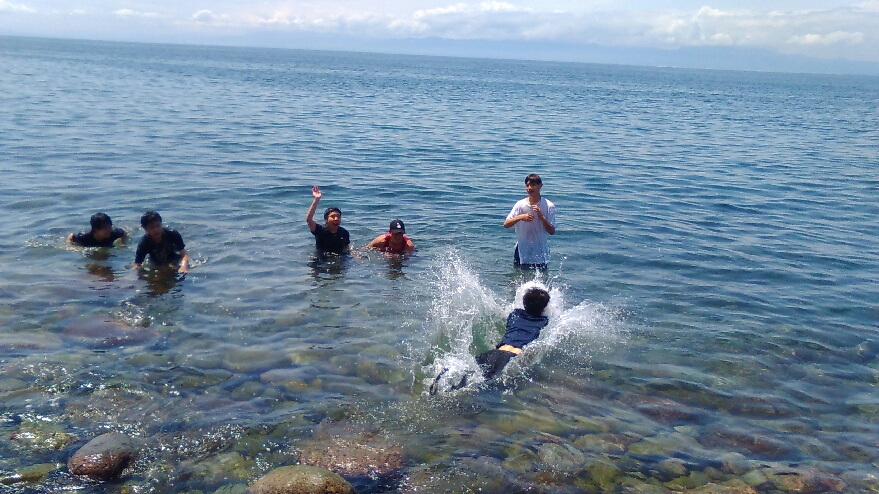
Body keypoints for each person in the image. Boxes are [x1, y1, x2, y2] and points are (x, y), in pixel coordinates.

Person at [430, 287, 551, 394]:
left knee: (466, 377)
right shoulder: (544, 322)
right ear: (543, 309)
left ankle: (439, 387)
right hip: (511, 357)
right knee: (480, 385)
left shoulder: (515, 314)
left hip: (493, 353)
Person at [503, 173, 556, 268]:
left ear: (540, 186)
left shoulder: (549, 205)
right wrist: (521, 217)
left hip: (541, 252)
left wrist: (541, 216)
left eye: (533, 185)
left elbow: (551, 231)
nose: (529, 188)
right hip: (521, 251)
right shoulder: (520, 205)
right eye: (527, 185)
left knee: (541, 281)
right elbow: (506, 224)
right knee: (519, 279)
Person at [306, 185, 350, 255]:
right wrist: (316, 199)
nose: (336, 219)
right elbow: (309, 219)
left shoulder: (344, 233)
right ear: (326, 219)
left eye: (338, 216)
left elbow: (346, 248)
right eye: (333, 216)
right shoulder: (320, 231)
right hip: (321, 260)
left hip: (339, 258)